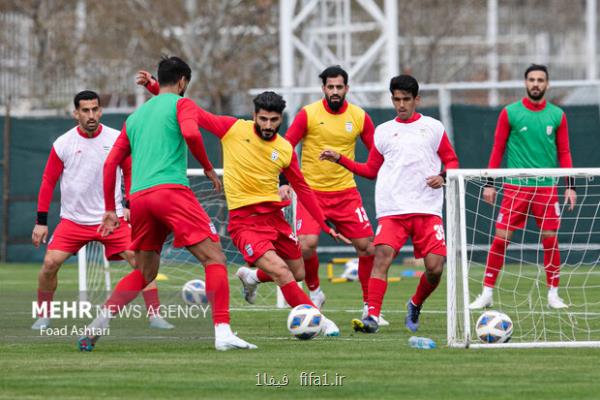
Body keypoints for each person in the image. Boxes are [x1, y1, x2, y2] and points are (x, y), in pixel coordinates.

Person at [138, 71, 347, 336]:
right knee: (282, 272)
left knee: (298, 273)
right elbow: (192, 111)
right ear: (254, 115)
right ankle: (320, 321)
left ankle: (251, 277)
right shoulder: (233, 129)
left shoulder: (284, 149)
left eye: (274, 119)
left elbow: (303, 189)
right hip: (244, 222)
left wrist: (325, 226)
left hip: (274, 218)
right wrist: (156, 87)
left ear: (281, 118)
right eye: (263, 118)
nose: (268, 125)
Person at [79, 57, 255, 352]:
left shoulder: (134, 118)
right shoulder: (182, 104)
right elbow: (190, 133)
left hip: (140, 199)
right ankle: (223, 332)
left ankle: (99, 322)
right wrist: (209, 168)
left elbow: (111, 163)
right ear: (184, 81)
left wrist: (110, 208)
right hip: (171, 193)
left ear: (160, 79)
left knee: (145, 272)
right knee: (214, 258)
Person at [321, 75, 459, 333]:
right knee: (381, 258)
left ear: (416, 99)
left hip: (427, 209)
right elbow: (371, 170)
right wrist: (341, 159)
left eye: (406, 99)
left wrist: (442, 177)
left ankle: (415, 303)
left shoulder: (433, 127)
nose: (401, 105)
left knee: (435, 268)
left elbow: (451, 160)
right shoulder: (383, 131)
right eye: (397, 99)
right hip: (393, 209)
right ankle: (372, 316)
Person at [31, 90, 173, 331]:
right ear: (75, 113)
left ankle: (155, 314)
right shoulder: (63, 143)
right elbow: (47, 182)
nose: (91, 115)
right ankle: (44, 315)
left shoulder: (117, 138)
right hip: (73, 222)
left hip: (113, 220)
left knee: (142, 263)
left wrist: (128, 205)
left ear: (101, 110)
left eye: (95, 109)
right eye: (85, 110)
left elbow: (130, 171)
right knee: (49, 263)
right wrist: (41, 221)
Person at [281, 65, 389, 325]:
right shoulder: (308, 114)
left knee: (368, 248)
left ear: (347, 89)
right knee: (306, 246)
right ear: (323, 89)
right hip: (311, 193)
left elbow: (376, 152)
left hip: (346, 194)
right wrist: (284, 181)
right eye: (330, 87)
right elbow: (285, 146)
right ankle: (316, 292)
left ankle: (369, 307)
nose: (335, 91)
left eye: (339, 87)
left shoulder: (360, 117)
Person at [469, 64, 576, 310]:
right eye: (531, 79)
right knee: (500, 240)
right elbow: (498, 148)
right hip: (516, 187)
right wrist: (490, 183)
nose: (536, 84)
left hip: (547, 188)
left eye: (540, 80)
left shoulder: (557, 115)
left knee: (550, 240)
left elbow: (564, 152)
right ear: (525, 83)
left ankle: (553, 294)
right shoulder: (510, 113)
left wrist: (570, 186)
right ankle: (486, 293)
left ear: (547, 84)